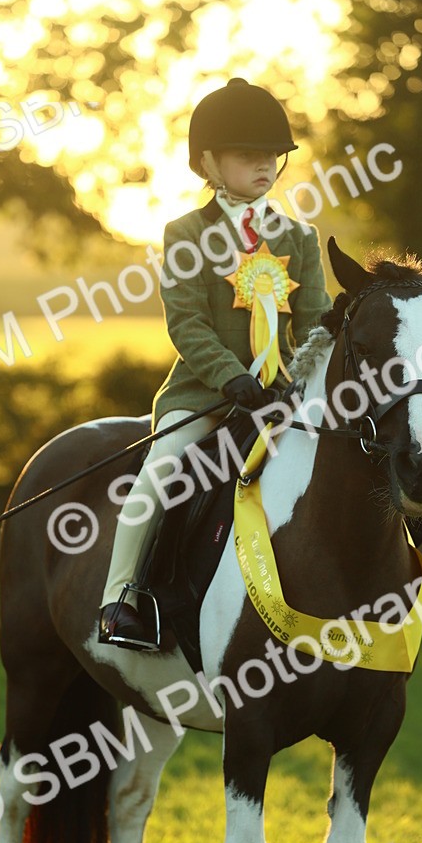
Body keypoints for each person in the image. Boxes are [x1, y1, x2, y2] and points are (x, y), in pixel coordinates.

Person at [99, 76, 331, 650]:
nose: (263, 167)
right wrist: (232, 378)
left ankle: (401, 583)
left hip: (284, 401)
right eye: (246, 156)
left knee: (357, 457)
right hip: (206, 398)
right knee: (158, 478)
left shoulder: (298, 238)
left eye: (271, 157)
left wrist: (305, 379)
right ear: (207, 162)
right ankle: (123, 600)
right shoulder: (185, 235)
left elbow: (318, 324)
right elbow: (187, 323)